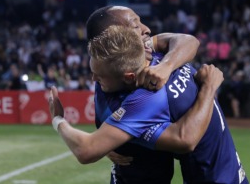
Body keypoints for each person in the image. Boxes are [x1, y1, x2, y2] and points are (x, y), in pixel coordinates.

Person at [49, 25, 223, 183]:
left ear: (129, 77)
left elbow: (86, 150)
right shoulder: (141, 53)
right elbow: (188, 40)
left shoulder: (143, 100)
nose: (93, 79)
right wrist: (110, 140)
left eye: (99, 76)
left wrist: (58, 119)